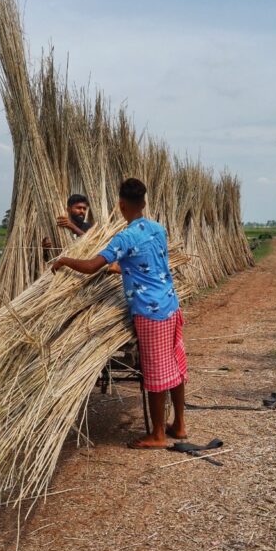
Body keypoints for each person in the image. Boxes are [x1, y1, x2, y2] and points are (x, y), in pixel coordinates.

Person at [51, 178, 187, 449]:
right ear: (144, 203)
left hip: (150, 312)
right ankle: (179, 425)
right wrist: (123, 269)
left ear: (121, 205)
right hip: (171, 305)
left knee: (156, 373)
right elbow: (147, 262)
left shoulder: (124, 237)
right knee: (175, 364)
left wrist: (65, 260)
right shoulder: (158, 229)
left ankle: (158, 434)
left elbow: (91, 266)